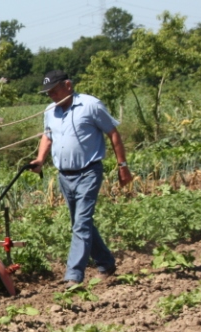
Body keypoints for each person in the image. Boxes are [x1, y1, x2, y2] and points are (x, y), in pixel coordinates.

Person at [30, 70, 133, 284]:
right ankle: (106, 262)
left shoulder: (90, 105)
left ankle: (74, 276)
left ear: (68, 85)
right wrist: (40, 160)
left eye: (54, 91)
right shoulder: (50, 111)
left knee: (81, 223)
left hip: (88, 172)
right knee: (80, 223)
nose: (51, 96)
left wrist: (122, 165)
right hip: (64, 176)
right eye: (48, 93)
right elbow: (47, 136)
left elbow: (113, 133)